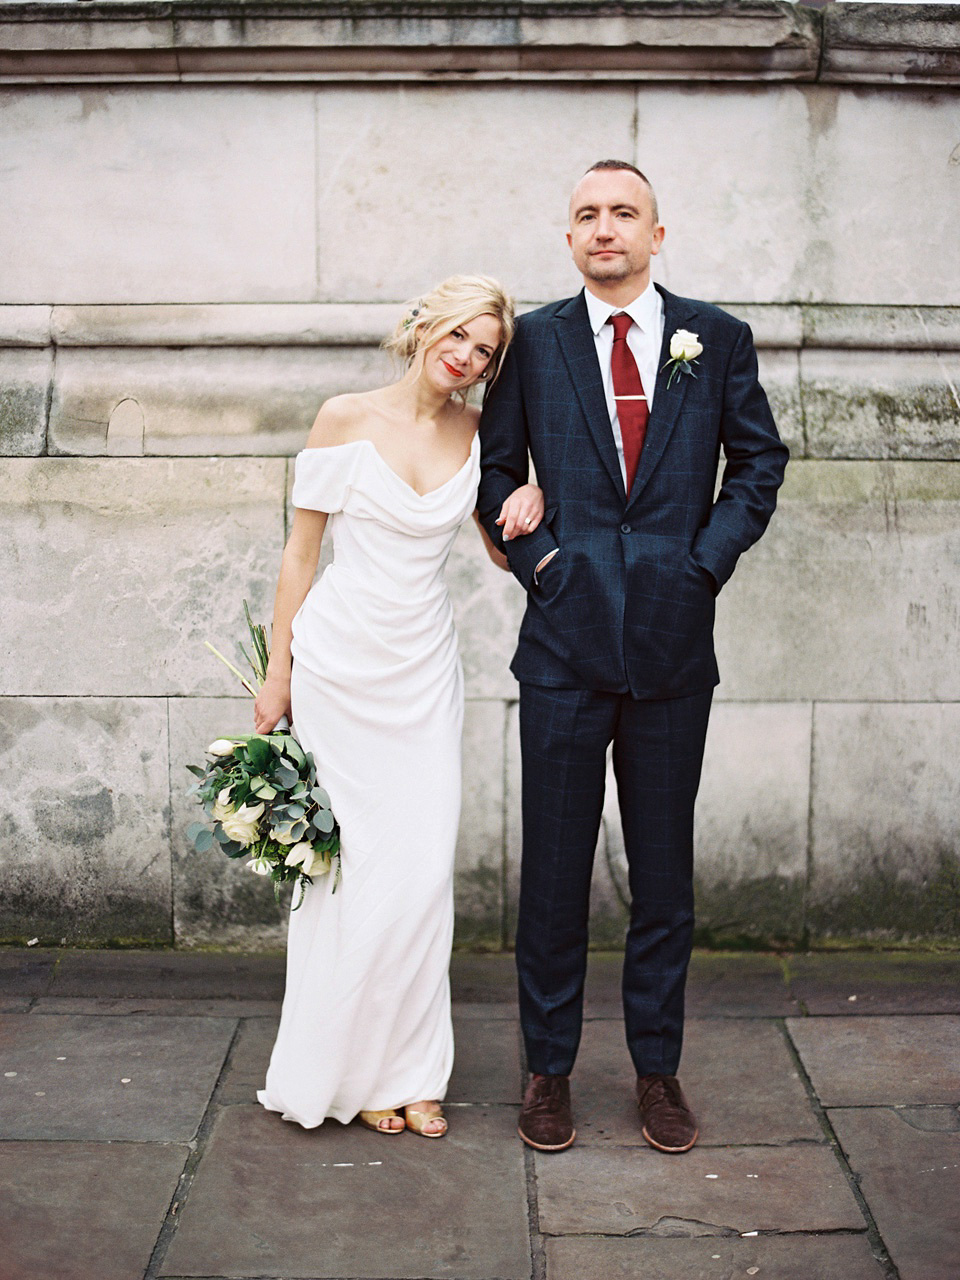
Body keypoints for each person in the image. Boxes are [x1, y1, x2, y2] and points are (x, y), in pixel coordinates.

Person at [478, 161, 789, 1154]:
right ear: (568, 238)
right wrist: (543, 560)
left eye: (623, 213)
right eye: (586, 215)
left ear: (659, 233)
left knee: (663, 875)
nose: (604, 228)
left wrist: (702, 564)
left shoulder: (716, 337)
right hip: (563, 648)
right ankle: (548, 1070)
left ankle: (658, 1070)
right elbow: (495, 471)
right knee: (555, 875)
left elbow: (759, 462)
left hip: (671, 647)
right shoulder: (533, 341)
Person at [254, 276, 544, 1138]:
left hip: (423, 672)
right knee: (356, 876)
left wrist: (530, 499)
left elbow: (498, 551)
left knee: (420, 877)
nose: (465, 356)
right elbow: (298, 558)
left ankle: (417, 1069)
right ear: (421, 328)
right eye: (457, 335)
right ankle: (360, 1071)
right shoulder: (344, 417)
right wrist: (280, 673)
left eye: (484, 349)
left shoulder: (477, 428)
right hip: (343, 667)